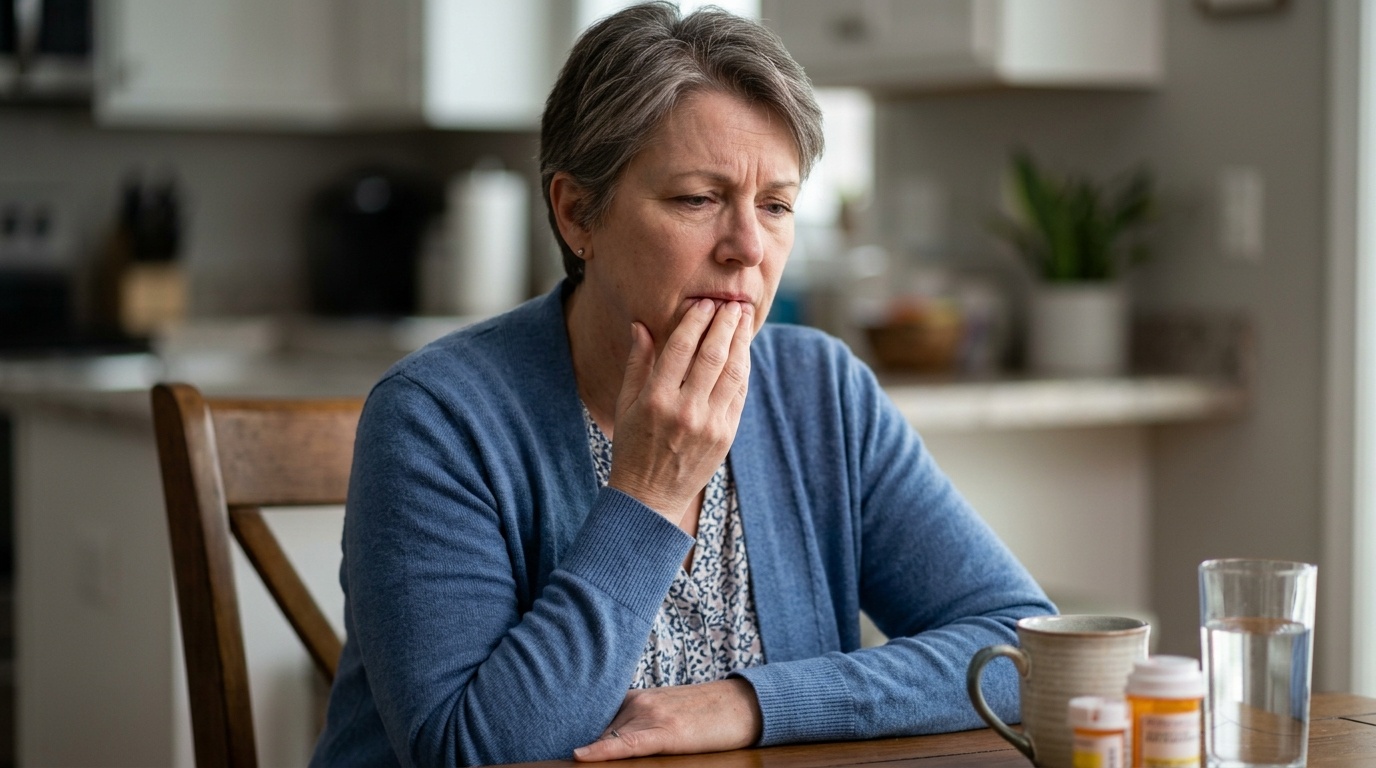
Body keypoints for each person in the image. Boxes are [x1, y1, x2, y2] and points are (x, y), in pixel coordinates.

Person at [310, 3, 1054, 766]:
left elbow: (1024, 652)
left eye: (776, 205)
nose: (747, 248)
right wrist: (650, 494)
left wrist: (753, 703)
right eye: (698, 199)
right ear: (576, 215)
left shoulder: (820, 392)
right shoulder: (436, 418)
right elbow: (470, 753)